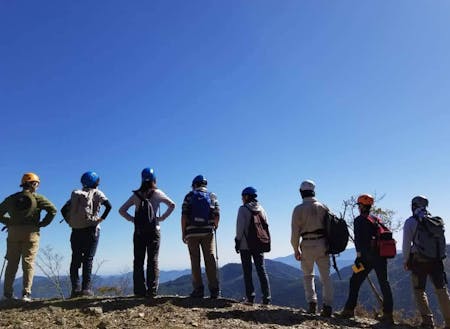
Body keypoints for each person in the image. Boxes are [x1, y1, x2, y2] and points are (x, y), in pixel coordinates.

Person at [119, 167, 175, 297]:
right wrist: (161, 218)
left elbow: (122, 210)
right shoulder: (157, 193)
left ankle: (139, 290)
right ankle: (152, 290)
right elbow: (172, 205)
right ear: (154, 179)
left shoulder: (136, 195)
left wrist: (133, 220)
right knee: (153, 259)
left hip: (139, 232)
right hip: (154, 230)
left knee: (138, 260)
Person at [0, 172, 57, 301]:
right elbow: (53, 210)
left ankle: (7, 294)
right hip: (31, 233)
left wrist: (9, 222)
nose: (37, 186)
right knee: (28, 263)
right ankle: (26, 294)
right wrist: (42, 224)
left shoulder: (12, 198)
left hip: (13, 233)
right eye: (37, 183)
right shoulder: (37, 198)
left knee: (12, 263)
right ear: (33, 184)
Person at [340, 194, 394, 324]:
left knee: (354, 280)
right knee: (384, 283)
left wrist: (358, 257)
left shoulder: (359, 220)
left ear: (362, 206)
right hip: (381, 256)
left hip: (365, 258)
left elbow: (359, 241)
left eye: (359, 205)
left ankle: (348, 309)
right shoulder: (376, 219)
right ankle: (388, 314)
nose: (358, 207)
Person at [61, 171, 112, 298]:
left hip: (76, 230)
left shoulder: (76, 195)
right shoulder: (97, 193)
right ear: (96, 182)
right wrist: (101, 220)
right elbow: (109, 206)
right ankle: (86, 290)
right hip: (91, 229)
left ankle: (75, 289)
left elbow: (63, 209)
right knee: (88, 259)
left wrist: (70, 221)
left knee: (75, 259)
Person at [402, 196, 450, 329]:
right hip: (437, 260)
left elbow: (406, 244)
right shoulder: (436, 221)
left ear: (413, 206)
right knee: (441, 290)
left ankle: (428, 322)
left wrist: (406, 260)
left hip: (419, 261)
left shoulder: (411, 222)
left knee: (419, 290)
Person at [290, 179, 333, 316]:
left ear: (301, 193)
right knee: (326, 277)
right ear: (314, 191)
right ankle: (327, 307)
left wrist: (296, 249)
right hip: (322, 244)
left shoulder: (298, 210)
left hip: (307, 244)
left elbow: (295, 233)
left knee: (308, 276)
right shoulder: (323, 207)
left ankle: (312, 304)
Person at [181, 174, 220, 299]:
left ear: (195, 185)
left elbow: (184, 216)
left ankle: (198, 290)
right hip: (207, 232)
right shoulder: (212, 196)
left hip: (192, 233)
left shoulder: (189, 196)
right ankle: (214, 290)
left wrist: (184, 233)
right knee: (210, 259)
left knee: (195, 261)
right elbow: (217, 214)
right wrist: (215, 225)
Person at [235, 186, 271, 305]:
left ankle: (250, 297)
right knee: (261, 269)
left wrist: (237, 241)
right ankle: (267, 297)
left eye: (242, 197)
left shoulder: (243, 209)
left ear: (246, 196)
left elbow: (240, 228)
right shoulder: (262, 209)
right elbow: (266, 226)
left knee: (247, 271)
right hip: (259, 244)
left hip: (246, 245)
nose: (242, 199)